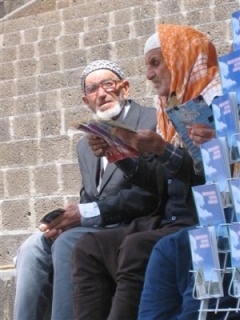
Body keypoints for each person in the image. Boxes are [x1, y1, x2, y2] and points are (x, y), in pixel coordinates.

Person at [71, 24, 222, 320]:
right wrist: (118, 153)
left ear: (181, 59)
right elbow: (158, 182)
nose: (149, 75)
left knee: (138, 246)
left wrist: (162, 150)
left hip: (199, 221)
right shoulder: (169, 112)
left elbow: (214, 180)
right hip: (167, 220)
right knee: (87, 246)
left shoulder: (220, 107)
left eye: (156, 63)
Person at [13, 60, 159, 320]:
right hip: (98, 225)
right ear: (85, 100)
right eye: (92, 89)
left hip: (135, 224)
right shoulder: (85, 145)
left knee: (70, 242)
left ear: (125, 88)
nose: (101, 94)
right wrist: (62, 222)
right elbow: (89, 198)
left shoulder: (150, 121)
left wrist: (85, 215)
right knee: (34, 246)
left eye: (108, 84)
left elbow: (149, 193)